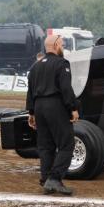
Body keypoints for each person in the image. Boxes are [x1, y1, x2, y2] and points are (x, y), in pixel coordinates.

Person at [26, 35, 78, 195]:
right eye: (62, 44)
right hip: (55, 105)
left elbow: (30, 92)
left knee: (45, 145)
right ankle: (55, 179)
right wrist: (73, 108)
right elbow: (66, 88)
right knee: (66, 144)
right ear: (56, 45)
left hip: (39, 107)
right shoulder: (62, 64)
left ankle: (46, 179)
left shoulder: (35, 67)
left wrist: (31, 112)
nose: (63, 47)